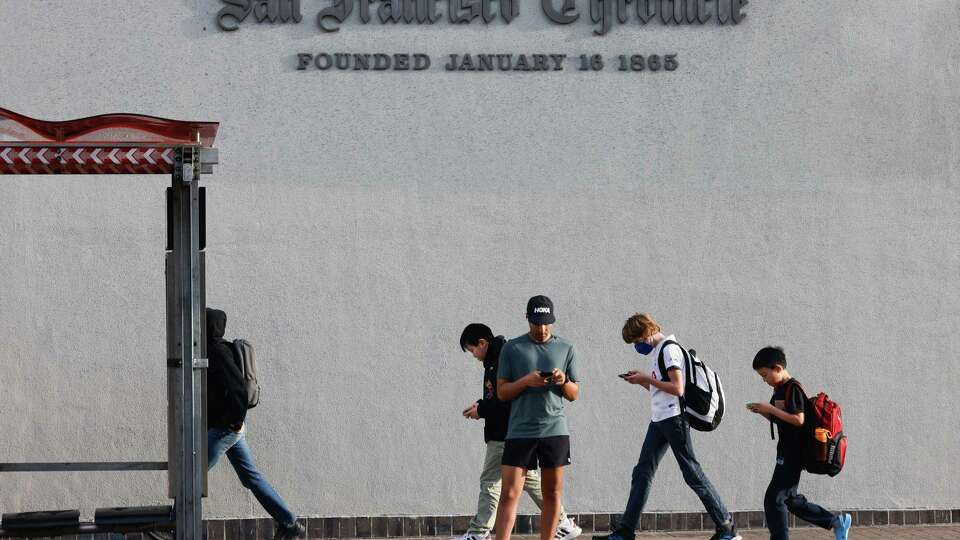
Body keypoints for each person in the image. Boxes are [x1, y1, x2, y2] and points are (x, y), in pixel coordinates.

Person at [594, 313, 740, 540]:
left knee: (692, 472)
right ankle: (625, 531)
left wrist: (647, 378)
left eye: (636, 340)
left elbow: (677, 388)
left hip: (674, 420)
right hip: (661, 419)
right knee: (642, 472)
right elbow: (662, 391)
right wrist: (642, 381)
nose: (636, 346)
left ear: (646, 331)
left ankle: (726, 527)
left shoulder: (668, 350)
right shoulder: (658, 351)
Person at [457, 323, 581, 540]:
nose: (473, 356)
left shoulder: (501, 356)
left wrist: (483, 410)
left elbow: (505, 398)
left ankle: (478, 532)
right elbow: (497, 394)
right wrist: (481, 405)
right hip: (512, 432)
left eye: (472, 350)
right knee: (526, 483)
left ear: (482, 343)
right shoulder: (499, 356)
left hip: (508, 432)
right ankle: (562, 521)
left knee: (492, 483)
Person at [205, 308, 305, 540]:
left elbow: (238, 391)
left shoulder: (218, 352)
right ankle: (290, 523)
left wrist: (234, 423)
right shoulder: (219, 349)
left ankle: (177, 521)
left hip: (225, 429)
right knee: (251, 477)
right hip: (228, 428)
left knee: (193, 473)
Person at [493, 296, 580, 540]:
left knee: (552, 494)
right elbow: (502, 392)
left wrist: (564, 381)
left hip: (555, 430)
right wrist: (525, 381)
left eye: (546, 323)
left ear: (552, 320)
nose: (541, 329)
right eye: (536, 323)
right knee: (509, 494)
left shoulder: (567, 348)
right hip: (520, 430)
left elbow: (574, 394)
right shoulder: (512, 348)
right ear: (528, 319)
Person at [747, 346, 852, 540]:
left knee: (774, 499)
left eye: (765, 375)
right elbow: (784, 420)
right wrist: (763, 412)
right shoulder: (780, 390)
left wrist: (770, 408)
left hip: (793, 453)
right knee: (791, 500)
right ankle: (835, 521)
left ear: (777, 368)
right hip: (787, 451)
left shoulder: (792, 388)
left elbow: (799, 419)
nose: (764, 380)